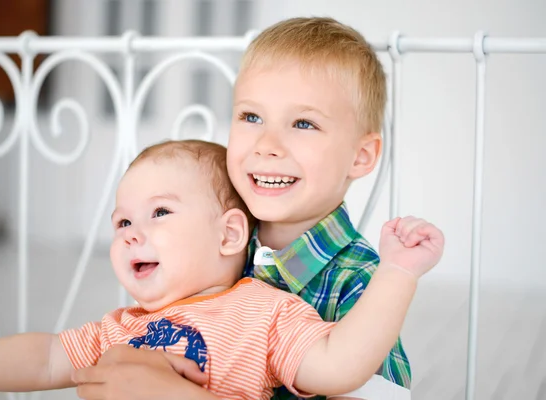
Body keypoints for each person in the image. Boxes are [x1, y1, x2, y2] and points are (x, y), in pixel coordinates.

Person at [74, 16, 416, 400]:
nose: (266, 144)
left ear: (360, 156)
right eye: (251, 117)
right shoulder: (212, 239)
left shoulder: (362, 285)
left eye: (303, 123)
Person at [0, 140, 444, 400]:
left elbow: (341, 365)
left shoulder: (265, 313)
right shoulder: (121, 328)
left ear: (229, 235)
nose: (131, 233)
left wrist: (397, 272)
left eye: (159, 213)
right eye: (122, 221)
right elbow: (44, 357)